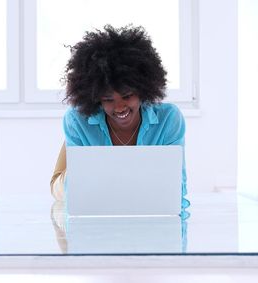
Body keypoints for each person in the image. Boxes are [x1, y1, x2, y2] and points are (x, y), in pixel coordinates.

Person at [50, 24, 190, 214]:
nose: (119, 107)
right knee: (59, 185)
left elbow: (177, 191)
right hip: (69, 184)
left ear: (142, 89)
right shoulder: (77, 120)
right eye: (108, 99)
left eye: (127, 96)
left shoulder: (169, 119)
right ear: (96, 98)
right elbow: (75, 193)